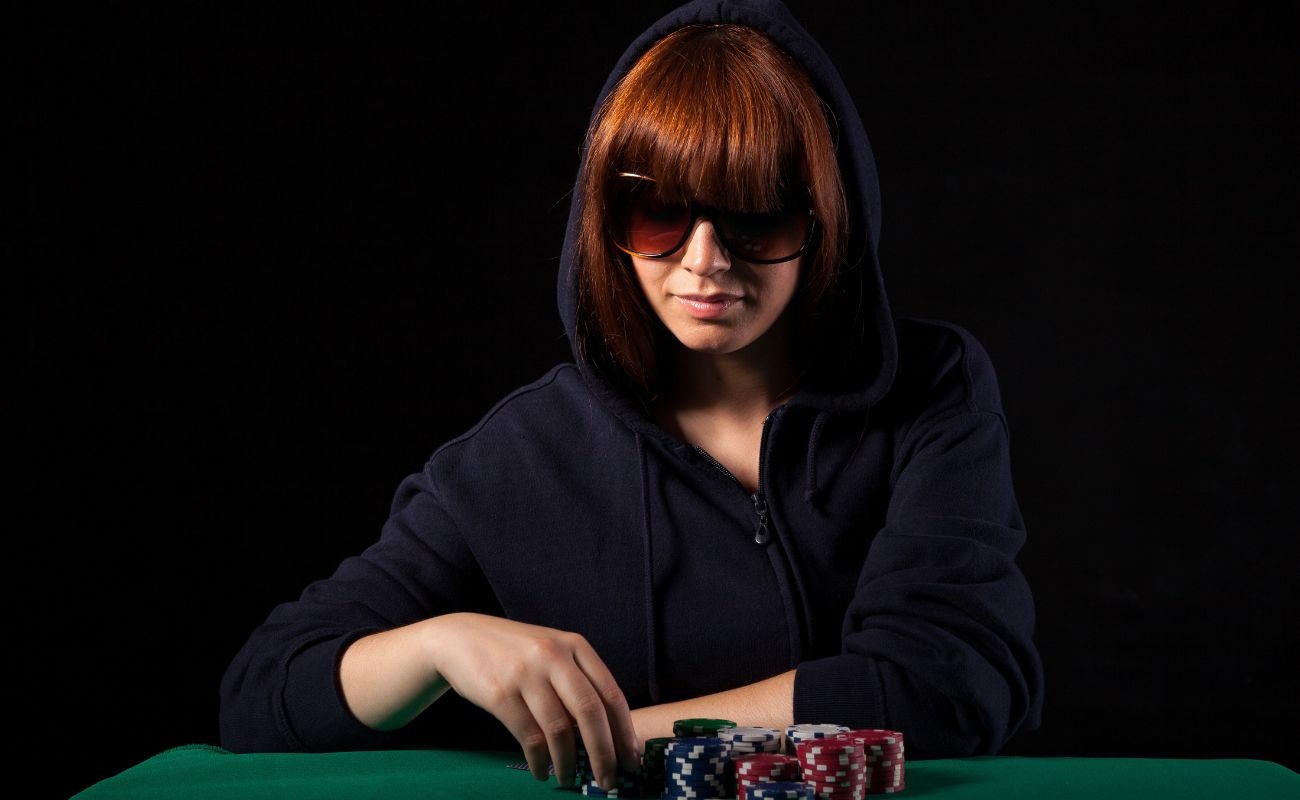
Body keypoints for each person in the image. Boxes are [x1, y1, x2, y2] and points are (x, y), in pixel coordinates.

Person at [218, 0, 1045, 792]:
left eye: (756, 216)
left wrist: (613, 735)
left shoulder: (932, 388)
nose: (705, 261)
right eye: (659, 213)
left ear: (827, 220)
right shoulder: (518, 456)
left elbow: (946, 685)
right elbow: (260, 693)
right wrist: (439, 645)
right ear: (603, 217)